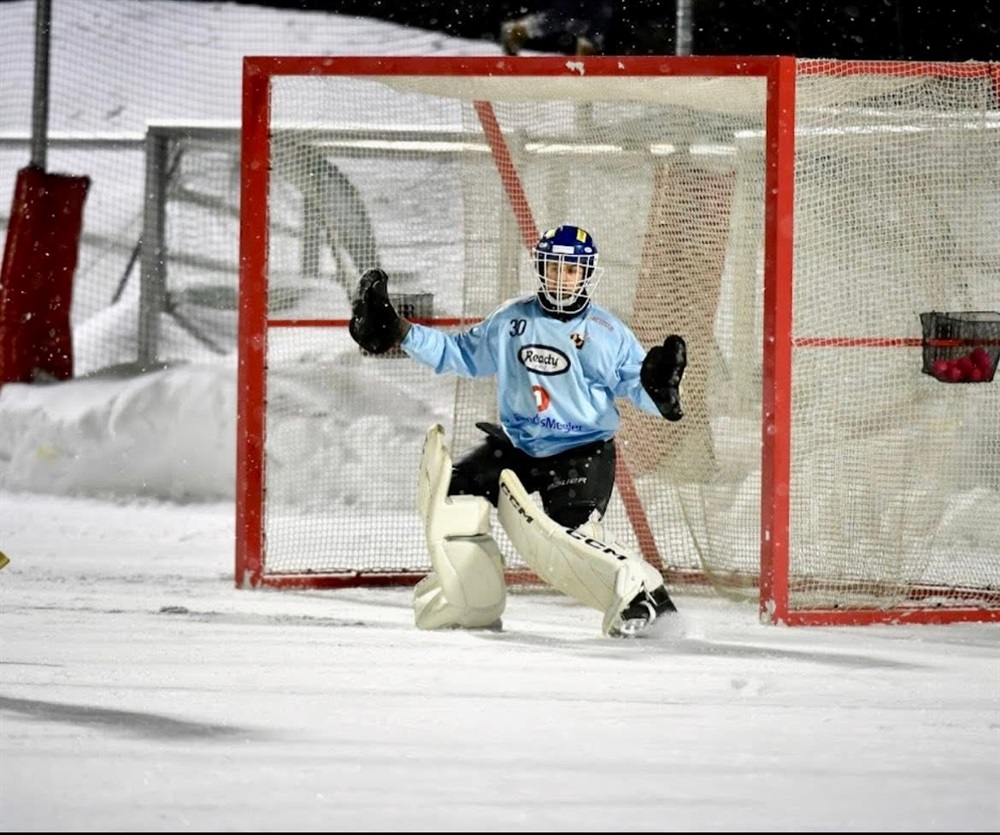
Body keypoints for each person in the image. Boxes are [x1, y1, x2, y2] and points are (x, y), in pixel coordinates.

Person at [348, 224, 687, 638]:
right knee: (453, 497)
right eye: (553, 267)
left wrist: (658, 392)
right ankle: (472, 602)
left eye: (571, 270)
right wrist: (400, 332)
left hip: (582, 452)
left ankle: (644, 598)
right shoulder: (511, 320)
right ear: (540, 268)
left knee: (571, 537)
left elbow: (637, 384)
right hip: (518, 447)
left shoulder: (607, 333)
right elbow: (461, 354)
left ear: (586, 274)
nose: (561, 278)